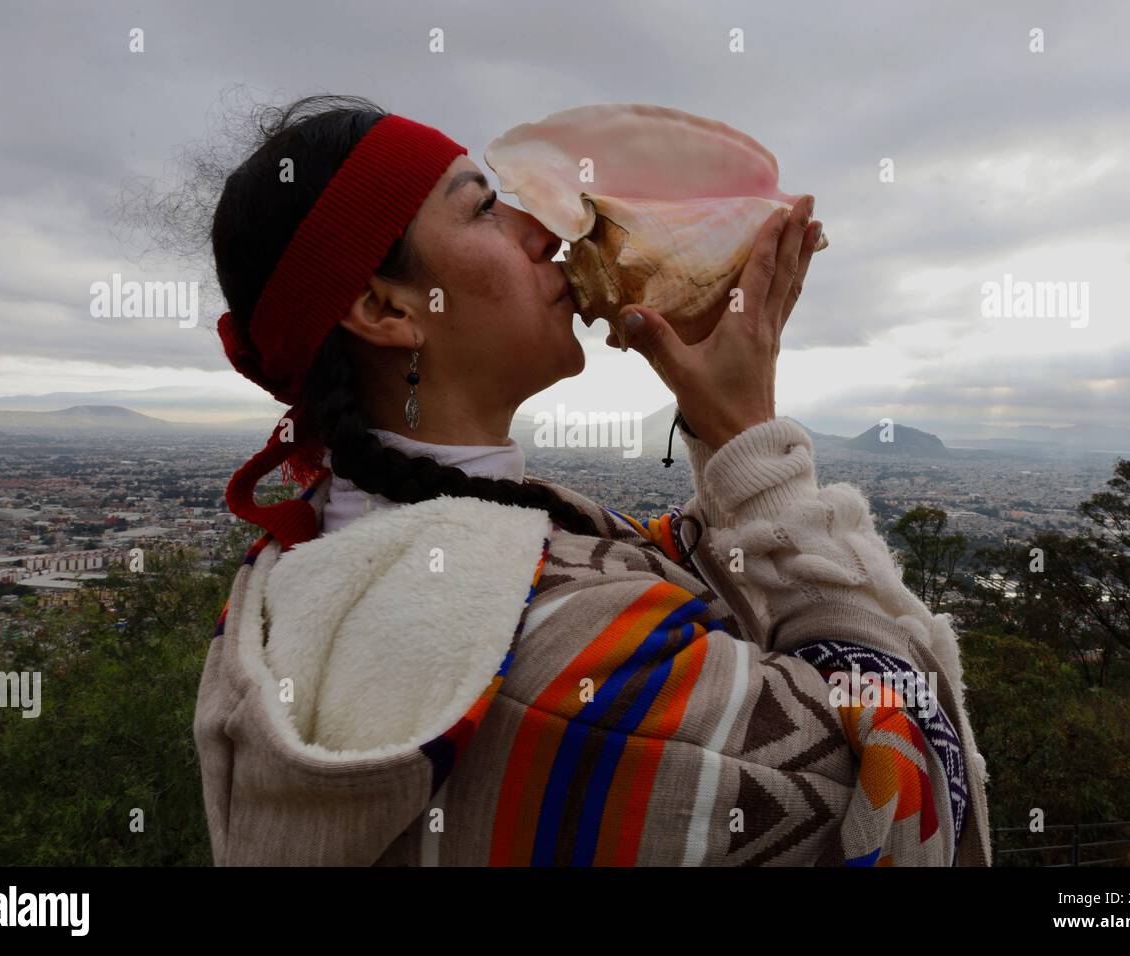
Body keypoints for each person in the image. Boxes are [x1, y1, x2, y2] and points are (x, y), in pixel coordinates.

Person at [193, 95, 992, 866]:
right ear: (383, 308)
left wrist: (716, 416)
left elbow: (670, 567)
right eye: (483, 211)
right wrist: (752, 437)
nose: (545, 229)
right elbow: (909, 795)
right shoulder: (573, 675)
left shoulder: (316, 572)